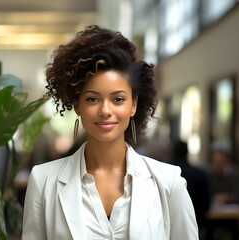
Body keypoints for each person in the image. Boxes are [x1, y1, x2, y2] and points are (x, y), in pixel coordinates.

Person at [22, 25, 198, 240]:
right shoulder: (44, 181)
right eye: (92, 99)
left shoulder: (169, 182)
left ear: (133, 105)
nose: (105, 110)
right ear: (77, 105)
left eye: (118, 99)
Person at [170, 139, 210, 238]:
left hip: (170, 224)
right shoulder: (199, 174)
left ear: (173, 152)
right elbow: (206, 203)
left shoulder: (164, 173)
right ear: (187, 152)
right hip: (197, 222)